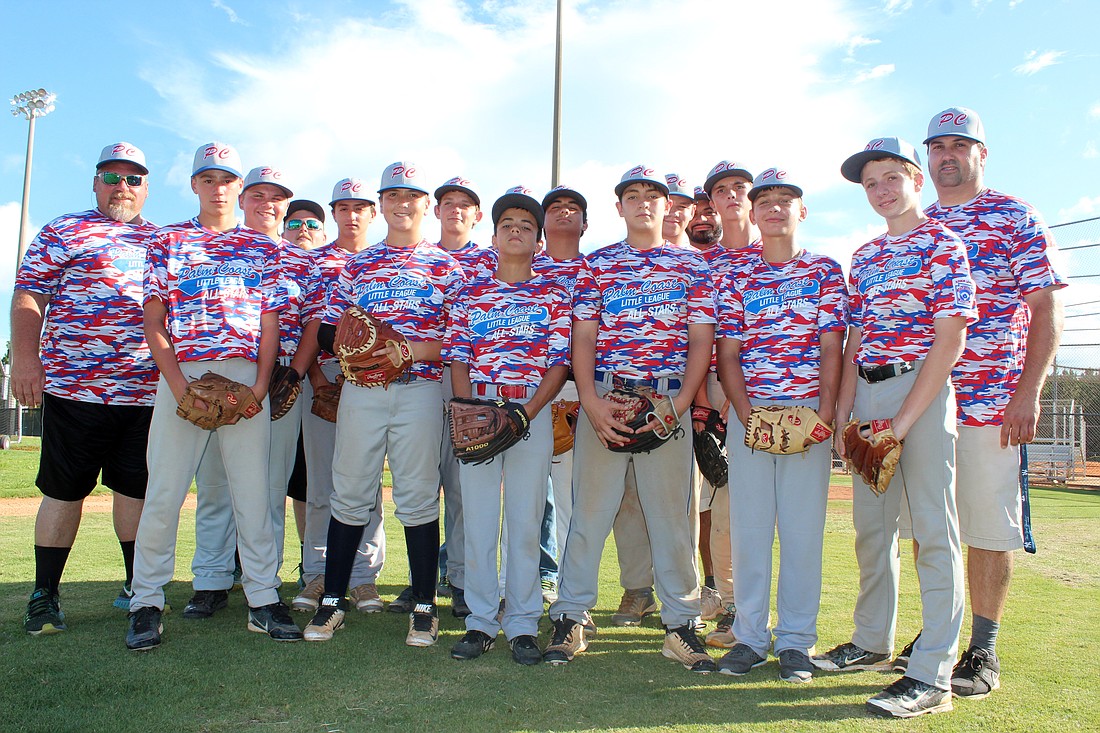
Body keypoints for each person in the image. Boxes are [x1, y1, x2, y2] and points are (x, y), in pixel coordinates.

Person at [813, 137, 976, 718]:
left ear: (915, 178)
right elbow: (856, 341)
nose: (881, 189)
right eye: (871, 182)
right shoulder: (865, 255)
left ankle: (933, 673)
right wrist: (843, 416)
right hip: (872, 393)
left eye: (891, 177)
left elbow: (950, 338)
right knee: (871, 530)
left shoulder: (944, 244)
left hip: (922, 390)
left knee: (932, 530)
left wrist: (903, 423)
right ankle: (871, 641)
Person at [127, 142, 301, 650]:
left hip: (246, 373)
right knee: (164, 492)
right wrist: (179, 386)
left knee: (253, 493)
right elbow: (154, 321)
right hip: (186, 372)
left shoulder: (262, 247)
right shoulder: (168, 241)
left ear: (237, 190)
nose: (218, 187)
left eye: (227, 180)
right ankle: (146, 603)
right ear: (195, 184)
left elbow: (269, 321)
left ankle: (263, 599)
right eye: (209, 178)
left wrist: (261, 386)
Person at [917, 107, 1065, 698]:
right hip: (926, 403)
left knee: (988, 527)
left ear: (982, 154)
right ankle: (938, 636)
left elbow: (1045, 311)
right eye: (937, 147)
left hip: (990, 403)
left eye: (959, 145)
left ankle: (983, 649)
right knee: (933, 528)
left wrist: (1027, 392)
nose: (946, 156)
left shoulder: (1013, 215)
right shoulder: (917, 222)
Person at [543, 165, 716, 673]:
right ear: (618, 207)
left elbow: (701, 343)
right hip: (610, 400)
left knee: (670, 519)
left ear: (667, 207)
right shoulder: (596, 266)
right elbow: (584, 340)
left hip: (667, 403)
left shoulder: (693, 268)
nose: (643, 202)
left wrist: (680, 405)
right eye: (632, 195)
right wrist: (592, 404)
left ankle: (681, 623)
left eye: (653, 195)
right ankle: (571, 615)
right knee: (590, 516)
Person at [304, 162, 464, 647]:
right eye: (391, 195)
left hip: (418, 388)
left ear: (426, 206)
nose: (401, 203)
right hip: (363, 390)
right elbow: (330, 331)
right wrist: (356, 346)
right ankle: (333, 600)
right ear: (382, 205)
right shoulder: (356, 264)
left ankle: (422, 606)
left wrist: (410, 349)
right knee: (349, 492)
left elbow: (459, 337)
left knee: (416, 495)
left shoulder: (446, 265)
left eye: (410, 196)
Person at [14, 142, 158, 634]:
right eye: (111, 177)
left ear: (146, 187)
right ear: (95, 182)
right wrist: (27, 360)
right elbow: (29, 294)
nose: (122, 186)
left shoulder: (163, 240)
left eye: (133, 178)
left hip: (144, 391)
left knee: (135, 491)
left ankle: (137, 587)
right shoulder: (63, 229)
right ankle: (44, 594)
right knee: (63, 491)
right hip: (76, 389)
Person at [714, 168, 847, 682]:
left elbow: (831, 349)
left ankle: (795, 642)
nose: (773, 208)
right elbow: (728, 354)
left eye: (784, 200)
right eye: (763, 200)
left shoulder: (824, 270)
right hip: (753, 414)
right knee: (749, 532)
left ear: (802, 210)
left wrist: (826, 415)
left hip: (807, 413)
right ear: (753, 211)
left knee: (801, 533)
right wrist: (748, 416)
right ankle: (750, 637)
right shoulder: (735, 273)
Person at [182, 167, 321, 619]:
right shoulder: (216, 248)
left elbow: (314, 323)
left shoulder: (303, 260)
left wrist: (295, 374)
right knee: (216, 483)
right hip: (220, 376)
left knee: (269, 486)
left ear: (286, 205)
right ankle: (211, 579)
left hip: (280, 380)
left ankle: (265, 580)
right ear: (242, 199)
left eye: (276, 197)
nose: (266, 203)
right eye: (257, 194)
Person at [445, 187, 570, 665]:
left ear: (538, 240)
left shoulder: (554, 295)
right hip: (479, 409)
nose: (515, 231)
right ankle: (479, 621)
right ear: (493, 236)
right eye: (507, 226)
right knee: (478, 522)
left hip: (527, 415)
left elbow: (559, 364)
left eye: (525, 227)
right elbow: (458, 357)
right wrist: (463, 408)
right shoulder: (468, 292)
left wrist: (526, 414)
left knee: (524, 520)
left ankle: (521, 623)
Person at [292, 180, 388, 616]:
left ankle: (363, 578)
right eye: (344, 207)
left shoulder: (386, 260)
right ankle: (317, 570)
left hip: (377, 376)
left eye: (361, 207)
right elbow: (311, 326)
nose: (352, 215)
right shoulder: (316, 261)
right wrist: (316, 378)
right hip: (329, 372)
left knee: (365, 482)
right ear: (334, 213)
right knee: (322, 483)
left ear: (374, 213)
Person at [431, 176, 486, 618]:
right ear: (437, 212)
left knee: (464, 484)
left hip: (466, 381)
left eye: (465, 204)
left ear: (477, 215)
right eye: (448, 202)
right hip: (417, 378)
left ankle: (464, 579)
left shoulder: (491, 260)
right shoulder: (418, 258)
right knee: (418, 484)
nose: (455, 210)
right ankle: (421, 581)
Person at [282, 199, 328, 564]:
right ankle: (236, 561)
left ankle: (311, 556)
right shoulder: (272, 261)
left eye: (312, 224)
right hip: (276, 375)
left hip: (323, 381)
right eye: (295, 223)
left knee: (310, 475)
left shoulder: (336, 265)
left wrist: (312, 374)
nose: (304, 230)